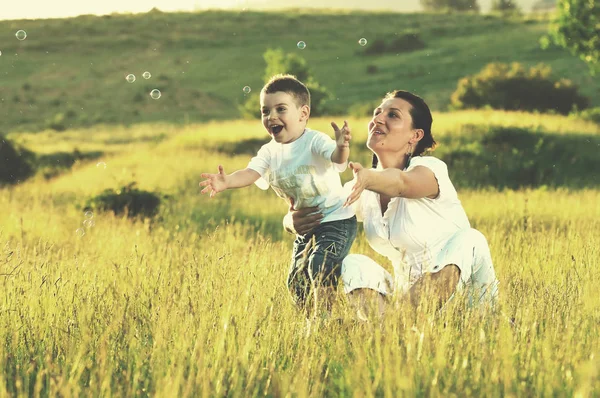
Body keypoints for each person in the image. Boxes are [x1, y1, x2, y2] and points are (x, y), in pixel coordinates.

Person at [284, 89, 499, 318]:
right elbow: (317, 211)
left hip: (467, 301)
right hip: (409, 304)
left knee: (470, 239)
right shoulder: (363, 189)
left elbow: (401, 183)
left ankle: (402, 324)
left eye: (393, 115)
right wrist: (291, 222)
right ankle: (388, 331)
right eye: (377, 113)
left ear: (415, 135)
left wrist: (368, 178)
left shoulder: (431, 170)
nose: (378, 119)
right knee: (354, 264)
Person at [199, 74, 357, 313]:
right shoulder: (269, 152)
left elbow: (336, 158)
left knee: (320, 265)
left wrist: (342, 146)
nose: (271, 116)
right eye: (265, 111)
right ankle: (306, 319)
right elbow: (250, 173)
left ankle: (324, 318)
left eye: (280, 109)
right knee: (295, 280)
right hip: (306, 226)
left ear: (303, 114)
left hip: (336, 219)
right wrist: (227, 181)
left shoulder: (314, 141)